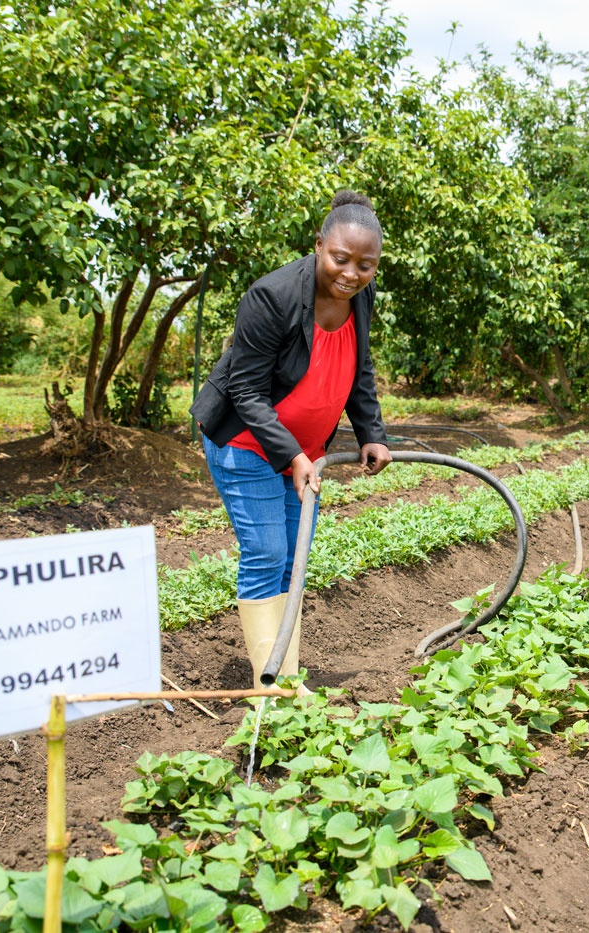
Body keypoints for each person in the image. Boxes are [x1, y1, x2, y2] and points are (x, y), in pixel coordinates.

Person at [190, 189, 392, 685]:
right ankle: (270, 692)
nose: (351, 274)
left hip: (306, 450)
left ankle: (284, 675)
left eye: (365, 266)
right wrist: (292, 455)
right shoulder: (272, 296)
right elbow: (246, 389)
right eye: (341, 259)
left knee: (292, 562)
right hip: (246, 442)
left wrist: (371, 433)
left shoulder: (359, 297)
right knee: (268, 553)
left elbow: (358, 369)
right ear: (319, 244)